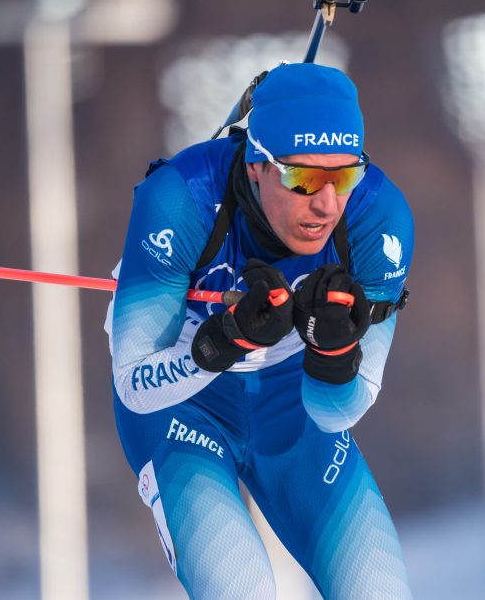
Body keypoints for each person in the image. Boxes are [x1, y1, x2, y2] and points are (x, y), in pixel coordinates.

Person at [105, 62, 414, 598]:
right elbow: (135, 385)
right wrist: (227, 340)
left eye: (343, 177)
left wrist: (333, 353)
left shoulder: (378, 217)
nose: (326, 204)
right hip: (182, 410)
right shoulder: (180, 198)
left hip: (290, 407)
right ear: (256, 165)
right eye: (303, 178)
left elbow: (339, 410)